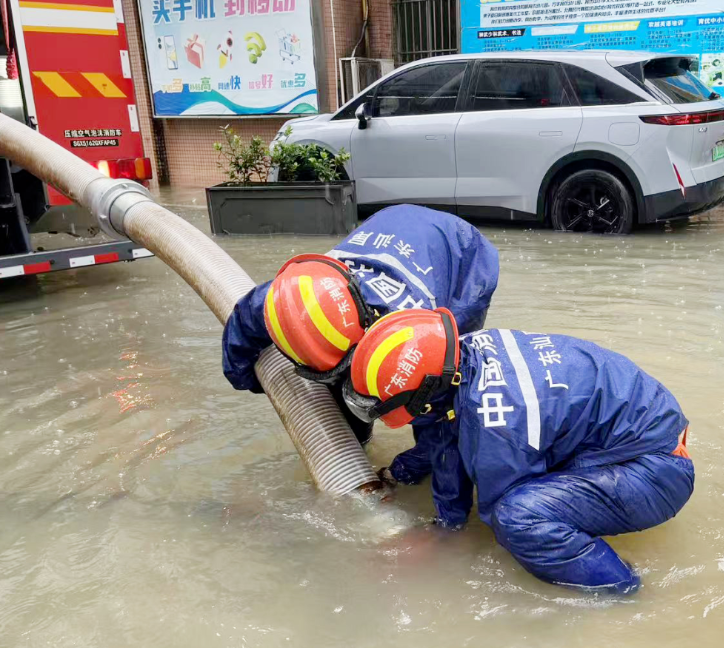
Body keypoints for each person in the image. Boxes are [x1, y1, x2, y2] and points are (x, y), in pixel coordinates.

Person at [342, 308, 694, 594]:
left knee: (516, 518)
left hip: (654, 470)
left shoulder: (496, 424)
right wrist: (404, 482)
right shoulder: (461, 355)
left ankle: (622, 588)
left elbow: (497, 502)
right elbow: (444, 431)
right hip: (641, 430)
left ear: (424, 394)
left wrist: (444, 539)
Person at [222, 204, 499, 480]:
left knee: (444, 382)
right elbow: (243, 321)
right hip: (392, 223)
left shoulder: (410, 342)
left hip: (465, 256)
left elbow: (440, 417)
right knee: (351, 396)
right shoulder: (292, 295)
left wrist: (401, 474)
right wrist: (249, 379)